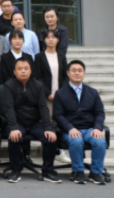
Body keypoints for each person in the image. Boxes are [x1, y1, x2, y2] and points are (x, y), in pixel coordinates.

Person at [3, 58, 60, 183]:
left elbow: (43, 107)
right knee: (14, 137)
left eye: (26, 68)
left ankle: (48, 171)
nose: (23, 71)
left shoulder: (38, 85)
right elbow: (9, 108)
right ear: (14, 71)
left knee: (50, 138)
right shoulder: (9, 85)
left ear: (31, 71)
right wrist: (13, 127)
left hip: (35, 123)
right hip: (18, 122)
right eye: (20, 69)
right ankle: (15, 170)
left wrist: (48, 127)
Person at [53, 60, 107, 185]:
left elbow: (99, 112)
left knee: (100, 142)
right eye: (74, 70)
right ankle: (78, 172)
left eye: (80, 71)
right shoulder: (60, 93)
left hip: (89, 129)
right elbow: (58, 115)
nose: (77, 73)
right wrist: (70, 128)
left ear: (84, 73)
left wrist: (97, 127)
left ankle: (95, 172)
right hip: (70, 129)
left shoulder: (92, 92)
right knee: (76, 141)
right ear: (68, 73)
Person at [36, 30, 70, 164]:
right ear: (44, 40)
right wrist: (48, 93)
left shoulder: (61, 56)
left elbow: (66, 76)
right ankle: (48, 152)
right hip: (45, 96)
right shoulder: (39, 56)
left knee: (59, 122)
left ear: (58, 40)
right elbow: (37, 77)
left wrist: (59, 93)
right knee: (47, 123)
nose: (50, 39)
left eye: (53, 37)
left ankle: (59, 151)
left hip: (60, 96)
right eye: (48, 37)